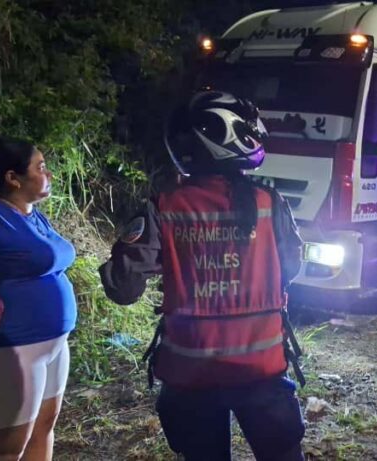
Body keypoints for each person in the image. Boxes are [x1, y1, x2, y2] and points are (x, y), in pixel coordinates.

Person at [99, 91, 306, 461]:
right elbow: (292, 268)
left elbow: (122, 287)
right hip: (261, 371)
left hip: (190, 375)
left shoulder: (163, 206)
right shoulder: (269, 203)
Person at [0, 137, 77, 460]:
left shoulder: (33, 216)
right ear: (12, 178)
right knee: (5, 449)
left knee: (42, 430)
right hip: (11, 351)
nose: (48, 174)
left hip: (52, 345)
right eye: (40, 167)